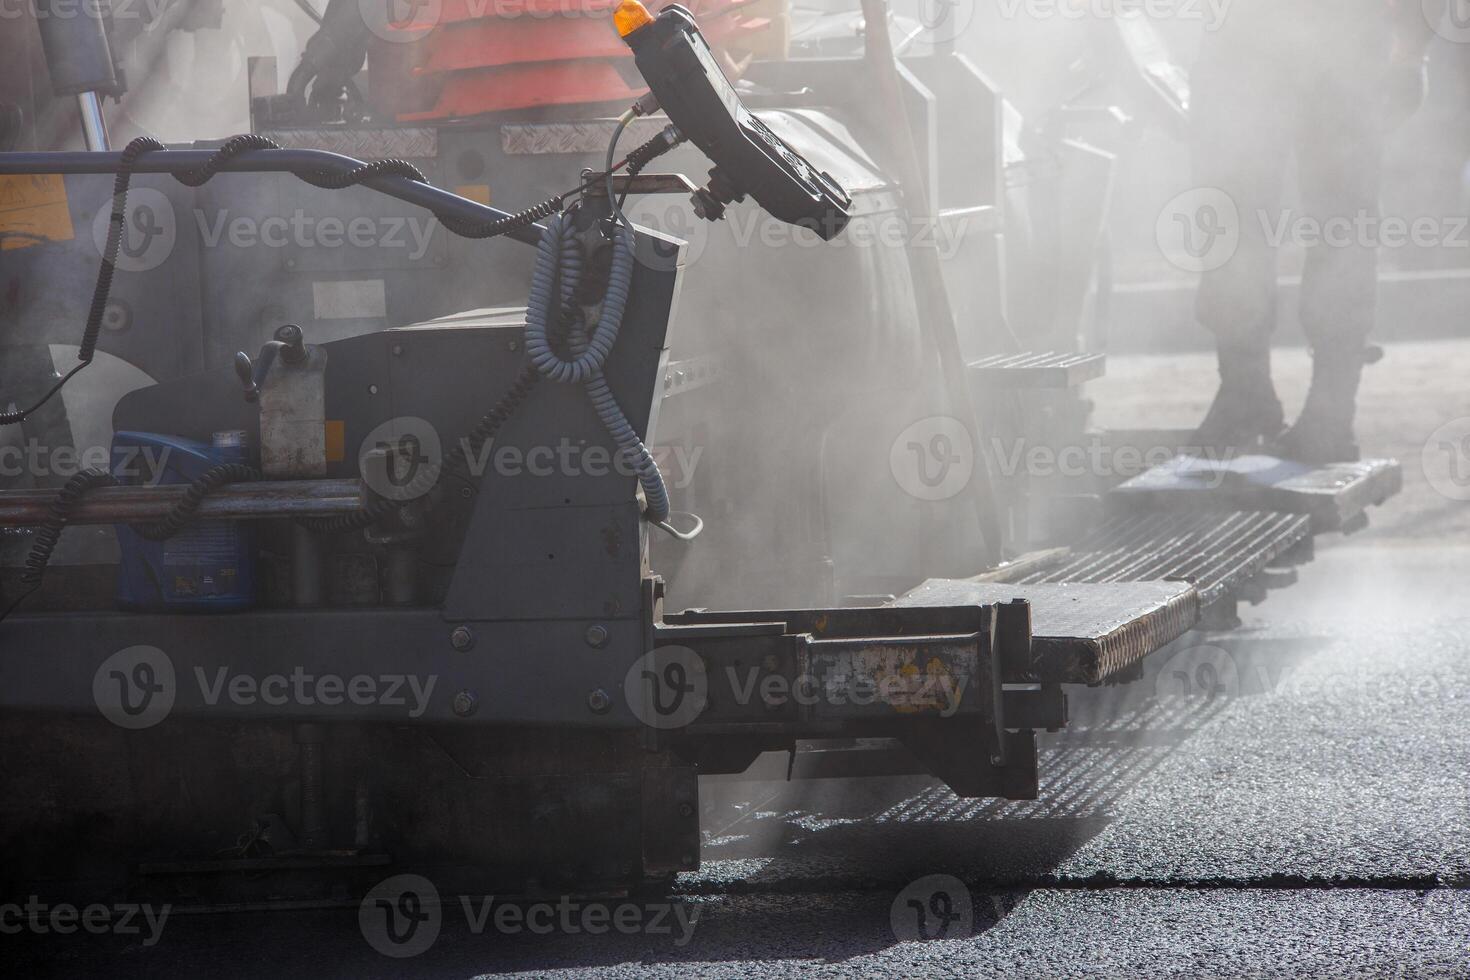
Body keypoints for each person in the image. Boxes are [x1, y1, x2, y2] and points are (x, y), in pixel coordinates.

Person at [1189, 0, 1442, 462]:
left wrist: (1411, 52)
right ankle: (1245, 393)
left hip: (1343, 45)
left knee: (1341, 222)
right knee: (1231, 215)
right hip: (1244, 43)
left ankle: (1330, 410)